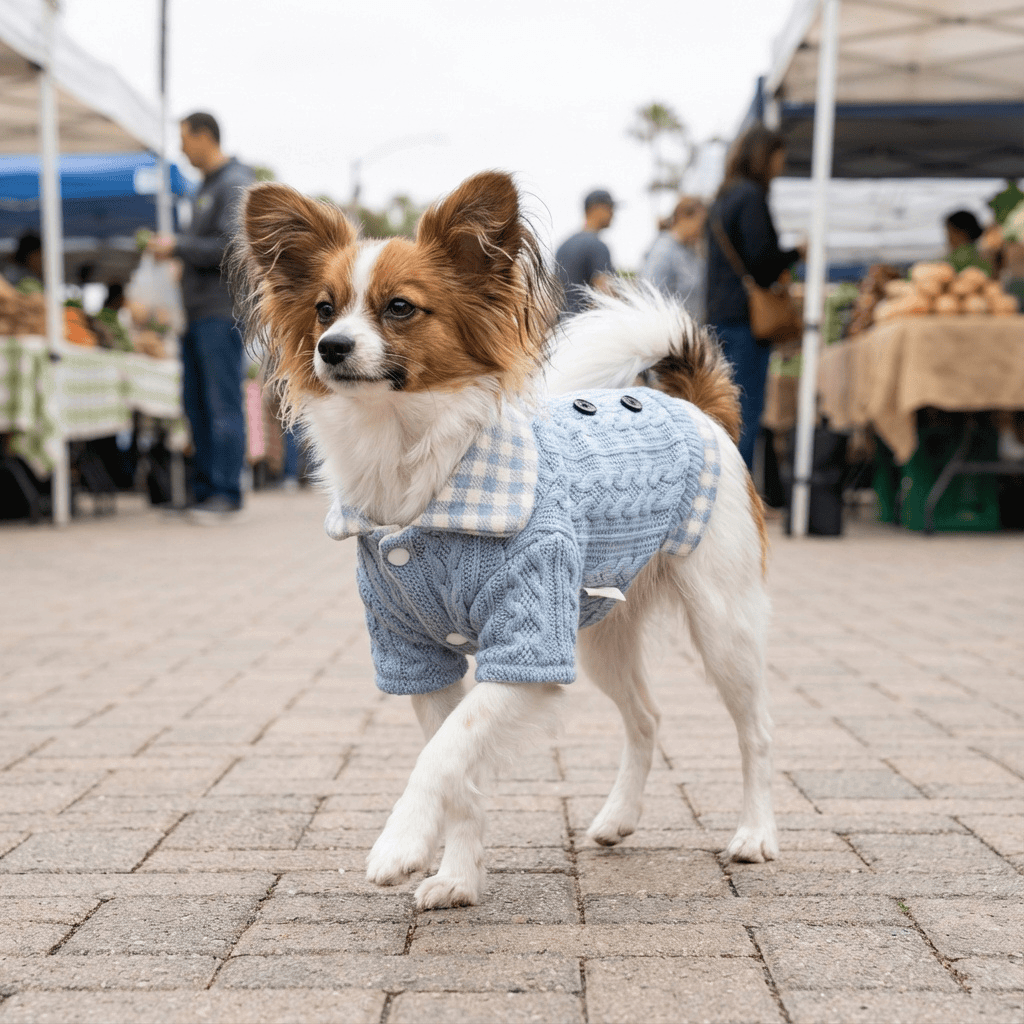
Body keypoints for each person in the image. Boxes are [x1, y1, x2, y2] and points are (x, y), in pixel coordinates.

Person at [147, 111, 255, 520]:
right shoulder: (205, 187)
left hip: (219, 312)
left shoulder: (234, 183)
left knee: (221, 404)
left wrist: (178, 247)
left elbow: (232, 247)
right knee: (195, 405)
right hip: (195, 313)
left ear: (205, 136)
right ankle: (203, 490)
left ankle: (226, 493)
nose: (181, 149)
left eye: (184, 139)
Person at [706, 124, 803, 472]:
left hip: (720, 316)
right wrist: (795, 253)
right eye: (779, 157)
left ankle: (720, 491)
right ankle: (737, 497)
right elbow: (761, 264)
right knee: (744, 413)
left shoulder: (723, 197)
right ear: (766, 156)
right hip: (745, 320)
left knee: (722, 411)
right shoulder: (750, 197)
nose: (781, 165)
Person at [641, 196, 707, 322]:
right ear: (683, 218)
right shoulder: (663, 252)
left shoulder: (689, 252)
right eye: (701, 222)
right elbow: (650, 300)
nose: (702, 230)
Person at [554, 189, 617, 317]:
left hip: (562, 327)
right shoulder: (597, 246)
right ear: (596, 208)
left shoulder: (564, 246)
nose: (613, 214)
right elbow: (606, 294)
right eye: (610, 208)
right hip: (585, 328)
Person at [944, 210, 992, 275]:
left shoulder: (960, 256)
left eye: (949, 233)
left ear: (961, 233)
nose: (948, 238)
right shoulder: (981, 252)